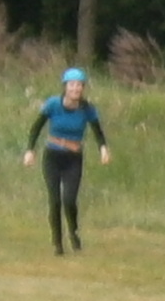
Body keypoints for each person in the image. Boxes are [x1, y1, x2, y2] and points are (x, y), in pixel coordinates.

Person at [23, 68, 111, 255]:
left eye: (79, 85)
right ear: (65, 87)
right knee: (54, 201)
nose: (75, 89)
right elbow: (36, 127)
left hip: (73, 159)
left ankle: (73, 232)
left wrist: (103, 148)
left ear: (83, 88)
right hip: (52, 157)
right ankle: (57, 242)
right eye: (72, 85)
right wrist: (30, 150)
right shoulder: (53, 104)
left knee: (69, 200)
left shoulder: (87, 109)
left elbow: (98, 131)